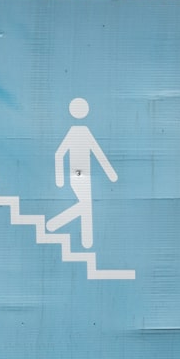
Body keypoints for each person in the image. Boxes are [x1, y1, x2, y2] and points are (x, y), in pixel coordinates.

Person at [46, 97, 117, 248]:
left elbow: (96, 153)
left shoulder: (80, 132)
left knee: (86, 206)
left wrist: (110, 173)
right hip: (78, 175)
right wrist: (60, 178)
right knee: (86, 205)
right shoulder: (78, 132)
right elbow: (60, 153)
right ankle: (56, 224)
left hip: (82, 175)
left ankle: (85, 240)